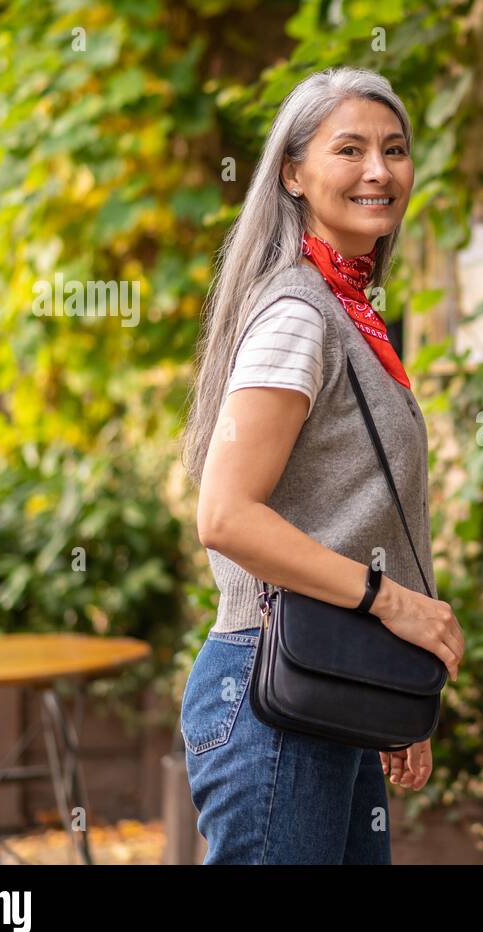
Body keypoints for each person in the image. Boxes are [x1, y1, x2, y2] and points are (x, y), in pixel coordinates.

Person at [177, 65, 464, 864]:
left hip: (322, 685)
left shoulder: (349, 311)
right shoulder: (300, 314)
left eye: (395, 149)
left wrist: (387, 685)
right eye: (351, 149)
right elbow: (226, 515)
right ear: (294, 174)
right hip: (272, 694)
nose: (380, 170)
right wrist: (392, 607)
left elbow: (355, 508)